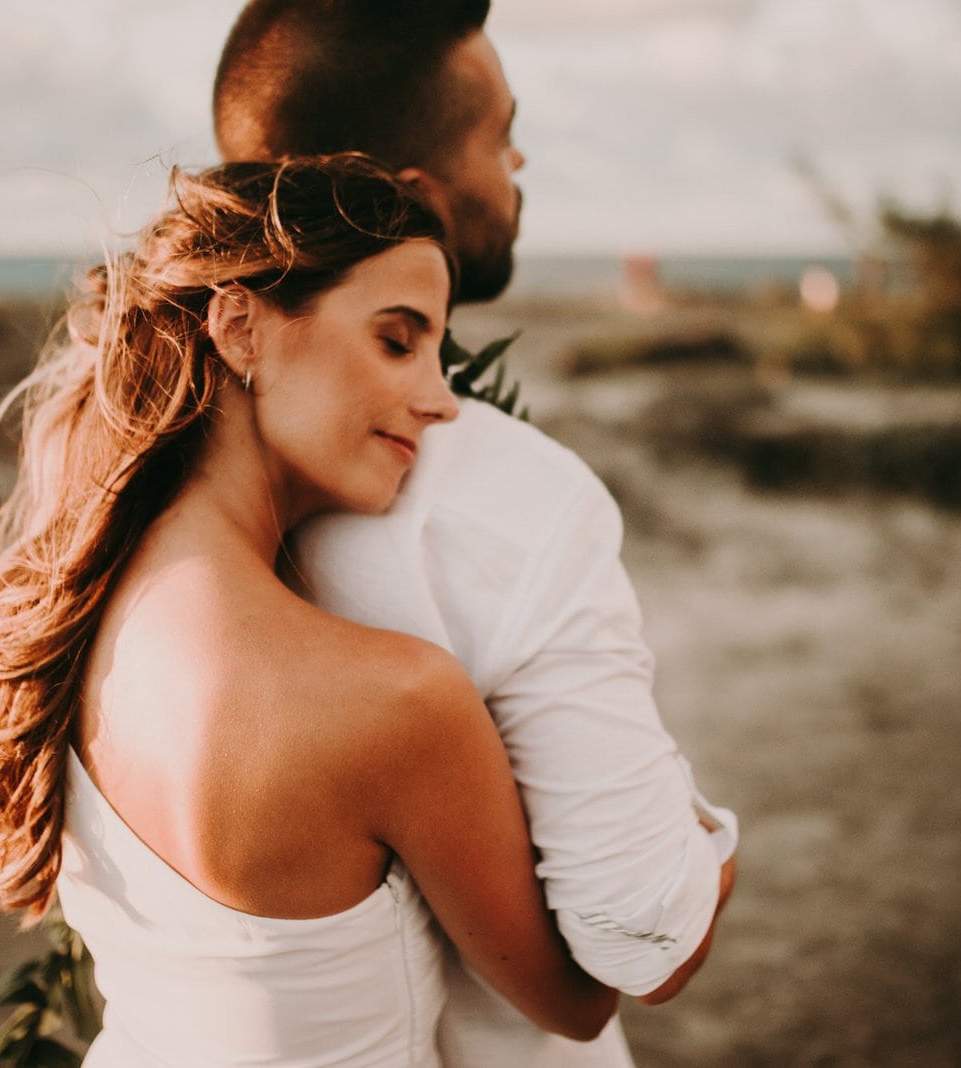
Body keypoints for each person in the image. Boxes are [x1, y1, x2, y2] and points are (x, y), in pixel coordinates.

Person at [0, 155, 617, 1064]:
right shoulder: (393, 702)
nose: (441, 401)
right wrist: (706, 848)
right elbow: (578, 1000)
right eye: (399, 340)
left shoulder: (60, 636)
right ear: (240, 327)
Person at [214, 3, 739, 1064]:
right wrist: (709, 843)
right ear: (407, 201)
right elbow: (643, 935)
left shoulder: (119, 477)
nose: (520, 159)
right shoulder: (510, 503)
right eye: (499, 135)